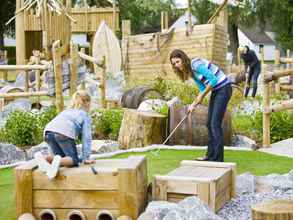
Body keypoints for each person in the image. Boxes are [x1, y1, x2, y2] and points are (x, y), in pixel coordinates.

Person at [169, 49, 232, 162]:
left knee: (215, 124)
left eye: (178, 62)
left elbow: (213, 79)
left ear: (183, 59)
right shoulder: (190, 72)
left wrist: (201, 97)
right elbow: (203, 89)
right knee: (209, 124)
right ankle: (210, 156)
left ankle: (218, 159)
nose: (176, 65)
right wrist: (193, 104)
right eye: (174, 64)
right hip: (216, 91)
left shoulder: (195, 64)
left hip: (224, 89)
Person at [34, 90, 95, 179]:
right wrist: (86, 158)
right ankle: (54, 160)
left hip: (48, 131)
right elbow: (87, 137)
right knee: (73, 161)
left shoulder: (66, 111)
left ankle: (45, 158)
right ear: (87, 102)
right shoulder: (84, 114)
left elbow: (55, 128)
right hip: (64, 132)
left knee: (62, 160)